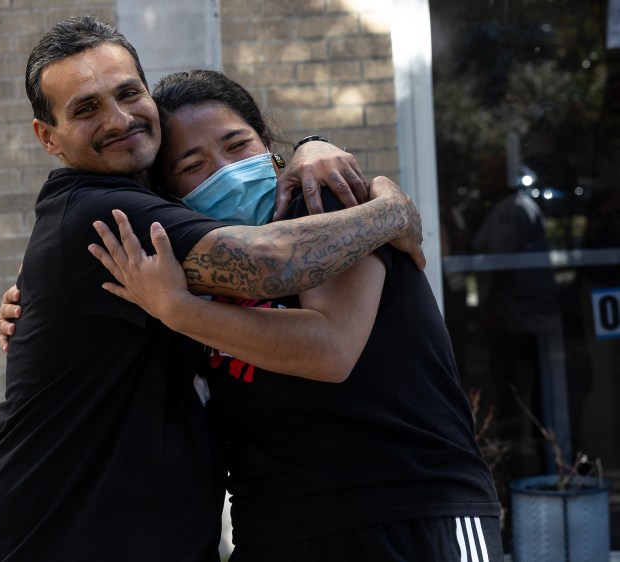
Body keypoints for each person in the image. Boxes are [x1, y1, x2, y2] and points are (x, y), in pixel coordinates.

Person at [0, 14, 424, 562]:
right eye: (86, 108)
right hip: (59, 540)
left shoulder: (158, 211)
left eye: (129, 93)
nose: (118, 118)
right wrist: (390, 208)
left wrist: (310, 145)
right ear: (49, 138)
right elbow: (269, 264)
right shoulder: (101, 213)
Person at [85, 69, 504, 561]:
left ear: (268, 145)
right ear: (170, 193)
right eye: (193, 165)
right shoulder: (180, 263)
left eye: (238, 145)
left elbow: (330, 350)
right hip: (276, 526)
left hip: (413, 510)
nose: (224, 170)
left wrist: (179, 310)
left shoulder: (326, 204)